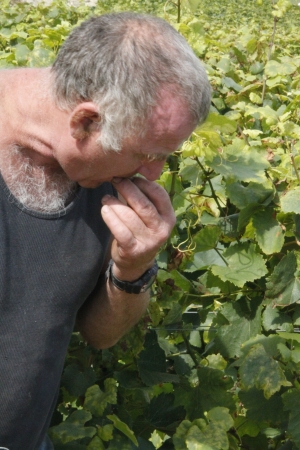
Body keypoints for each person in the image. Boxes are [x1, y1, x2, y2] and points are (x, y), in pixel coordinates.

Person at [0, 11, 211, 450]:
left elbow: (101, 334)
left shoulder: (106, 182)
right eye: (146, 153)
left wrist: (132, 268)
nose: (153, 174)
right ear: (86, 122)